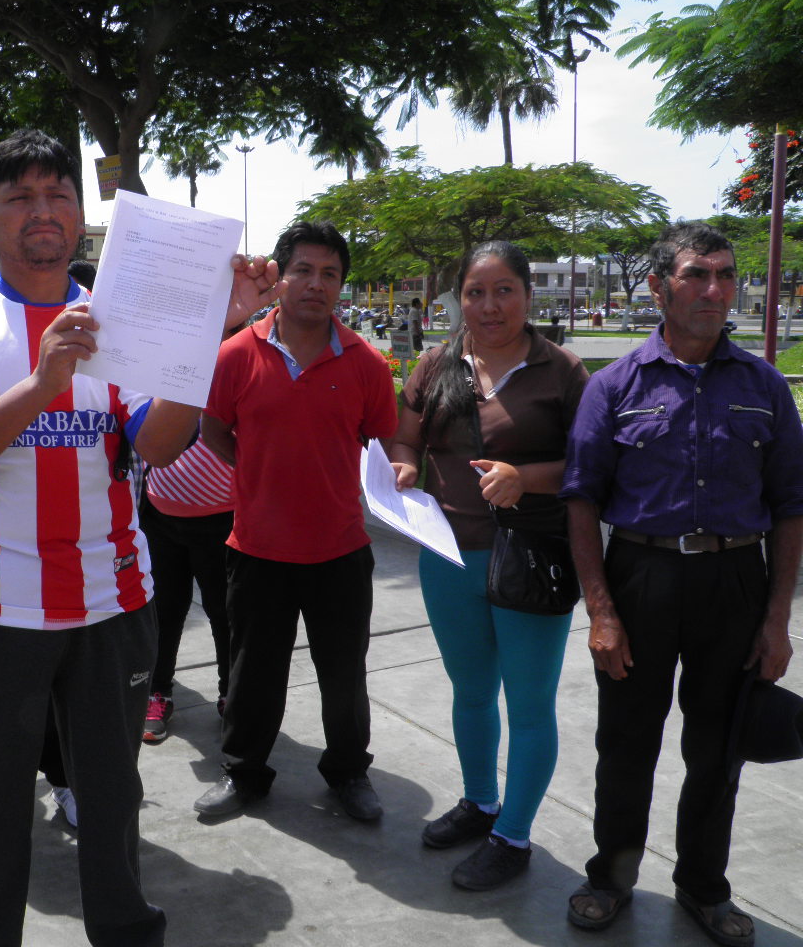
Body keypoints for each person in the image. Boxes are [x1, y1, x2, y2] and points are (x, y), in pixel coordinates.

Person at [0, 128, 278, 947]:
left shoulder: (125, 318)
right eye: (20, 197)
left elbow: (154, 444)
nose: (43, 211)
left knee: (113, 803)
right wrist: (41, 385)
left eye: (58, 193)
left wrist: (207, 338)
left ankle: (125, 930)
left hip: (112, 607)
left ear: (80, 214)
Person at [562, 222, 803, 945]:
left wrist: (776, 619)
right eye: (697, 274)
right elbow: (581, 499)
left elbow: (791, 504)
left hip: (735, 579)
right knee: (627, 742)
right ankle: (611, 875)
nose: (714, 290)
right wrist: (601, 611)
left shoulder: (764, 385)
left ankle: (704, 886)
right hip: (643, 577)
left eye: (726, 276)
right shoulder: (613, 386)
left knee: (718, 747)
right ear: (659, 286)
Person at [388, 241, 588, 889]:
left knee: (529, 704)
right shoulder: (437, 362)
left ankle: (514, 835)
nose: (489, 304)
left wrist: (523, 476)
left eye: (504, 289)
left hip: (531, 555)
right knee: (470, 691)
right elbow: (406, 434)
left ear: (529, 295)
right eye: (476, 291)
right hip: (448, 555)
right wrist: (405, 465)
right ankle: (481, 803)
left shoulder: (561, 371)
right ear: (459, 298)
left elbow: (592, 467)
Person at [194, 221, 398, 822]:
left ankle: (348, 772)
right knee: (254, 672)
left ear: (341, 285)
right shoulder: (235, 355)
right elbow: (213, 430)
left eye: (330, 274)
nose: (315, 284)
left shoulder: (364, 361)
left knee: (343, 675)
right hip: (257, 547)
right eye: (303, 270)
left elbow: (379, 444)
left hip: (340, 549)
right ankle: (244, 773)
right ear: (280, 277)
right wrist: (259, 472)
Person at [138, 435, 234, 742]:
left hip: (225, 519)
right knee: (163, 609)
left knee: (226, 612)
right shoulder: (165, 383)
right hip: (158, 514)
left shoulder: (234, 383)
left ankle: (232, 694)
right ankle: (157, 692)